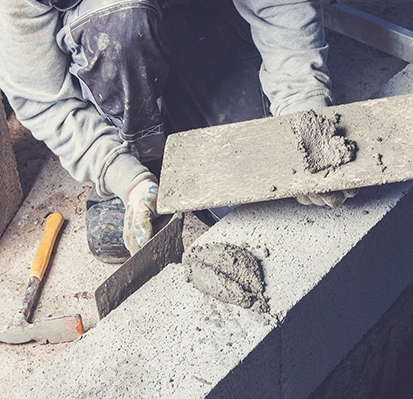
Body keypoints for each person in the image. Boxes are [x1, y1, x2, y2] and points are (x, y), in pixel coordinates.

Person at [0, 0, 356, 263]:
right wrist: (120, 173)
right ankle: (131, 151)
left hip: (201, 18)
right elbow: (40, 95)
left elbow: (280, 7)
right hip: (114, 41)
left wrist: (301, 112)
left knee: (246, 201)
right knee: (120, 25)